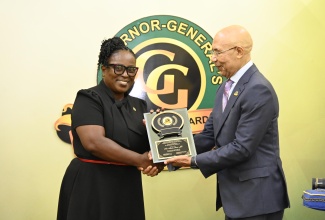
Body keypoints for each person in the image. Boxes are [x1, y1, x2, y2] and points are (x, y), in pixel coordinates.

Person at [165, 25, 290, 219]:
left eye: (217, 52)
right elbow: (208, 135)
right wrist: (165, 150)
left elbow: (242, 148)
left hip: (257, 200)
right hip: (237, 199)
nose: (212, 58)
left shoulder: (258, 89)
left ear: (239, 51)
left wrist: (192, 161)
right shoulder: (225, 87)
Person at [57, 37, 164, 220]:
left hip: (126, 186)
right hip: (91, 186)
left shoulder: (140, 106)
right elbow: (94, 143)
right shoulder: (88, 98)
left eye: (131, 70)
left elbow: (152, 152)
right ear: (104, 69)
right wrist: (140, 160)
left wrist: (158, 155)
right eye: (118, 68)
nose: (125, 74)